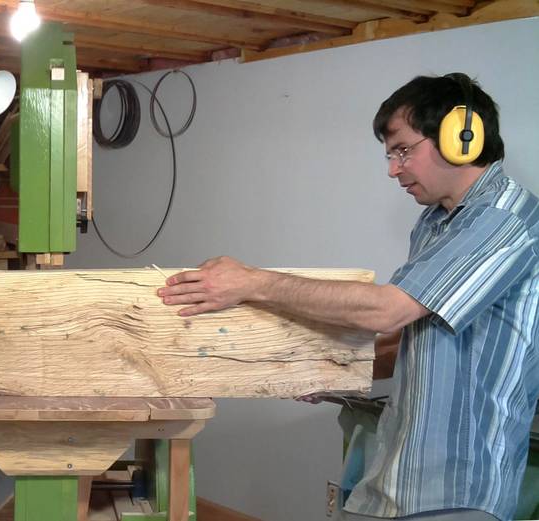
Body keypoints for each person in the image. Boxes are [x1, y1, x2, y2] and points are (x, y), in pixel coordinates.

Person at [158, 73, 538, 521]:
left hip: (459, 488)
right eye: (390, 155)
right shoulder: (437, 222)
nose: (393, 170)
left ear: (462, 138)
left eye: (403, 150)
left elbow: (386, 310)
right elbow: (414, 335)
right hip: (399, 476)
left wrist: (252, 283)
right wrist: (333, 370)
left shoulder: (502, 221)